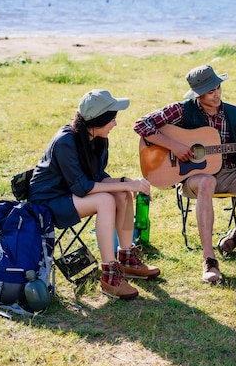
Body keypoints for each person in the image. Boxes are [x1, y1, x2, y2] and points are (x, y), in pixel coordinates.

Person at [133, 64, 236, 284]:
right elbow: (141, 124)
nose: (216, 95)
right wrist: (175, 146)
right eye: (210, 91)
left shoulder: (234, 114)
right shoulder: (182, 109)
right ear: (198, 94)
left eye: (218, 88)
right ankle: (209, 260)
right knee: (206, 181)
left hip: (229, 174)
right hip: (194, 178)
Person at [29, 89, 161, 300]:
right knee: (106, 200)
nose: (115, 124)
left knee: (122, 194)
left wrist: (127, 184)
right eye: (112, 119)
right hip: (48, 203)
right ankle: (109, 275)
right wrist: (126, 184)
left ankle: (126, 259)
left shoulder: (97, 138)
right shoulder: (65, 142)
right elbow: (83, 187)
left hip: (73, 194)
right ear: (99, 120)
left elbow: (98, 178)